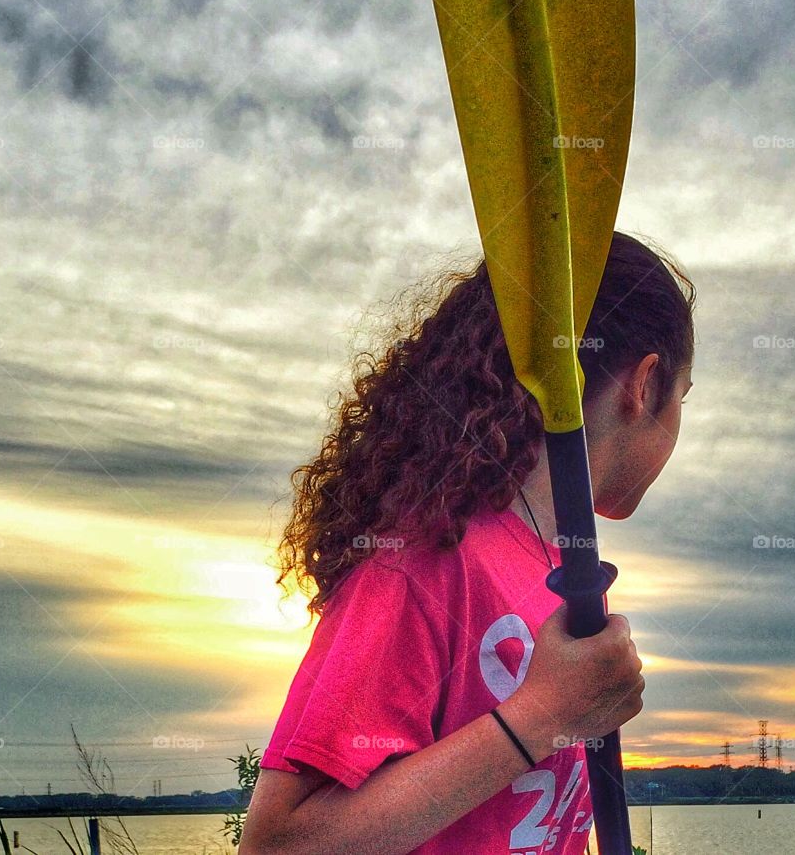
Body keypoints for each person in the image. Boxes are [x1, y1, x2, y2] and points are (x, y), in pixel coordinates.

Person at [240, 231, 696, 854]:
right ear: (645, 385)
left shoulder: (557, 568)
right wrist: (545, 716)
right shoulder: (424, 561)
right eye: (683, 398)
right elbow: (277, 848)